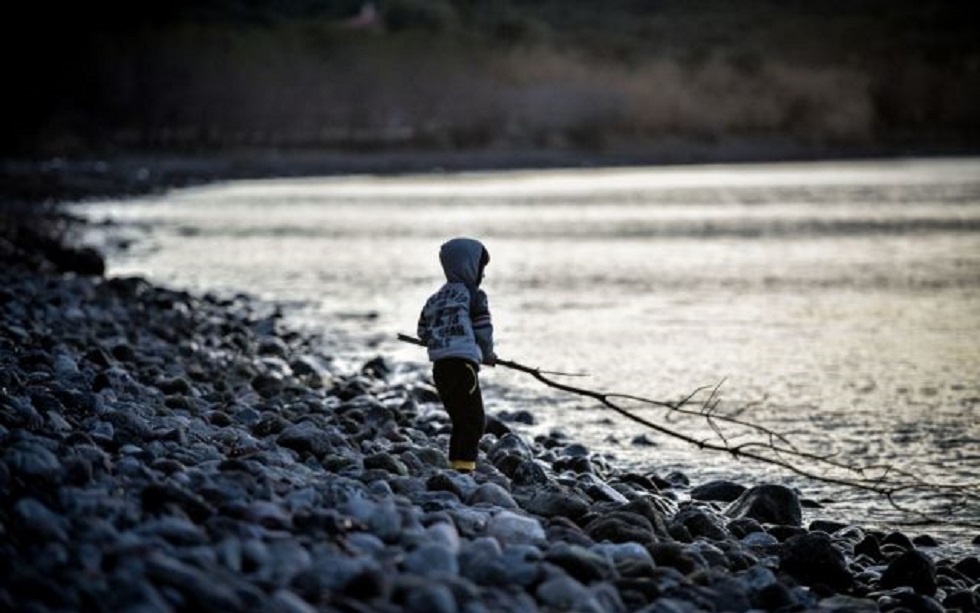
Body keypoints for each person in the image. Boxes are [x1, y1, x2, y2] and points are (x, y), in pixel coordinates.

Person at [417, 237, 496, 473]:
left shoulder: (435, 298)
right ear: (470, 267)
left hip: (441, 367)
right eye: (481, 269)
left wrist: (439, 338)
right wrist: (488, 354)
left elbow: (423, 332)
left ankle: (457, 463)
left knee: (459, 418)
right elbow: (483, 331)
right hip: (464, 366)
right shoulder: (474, 296)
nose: (482, 275)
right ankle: (464, 468)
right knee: (473, 419)